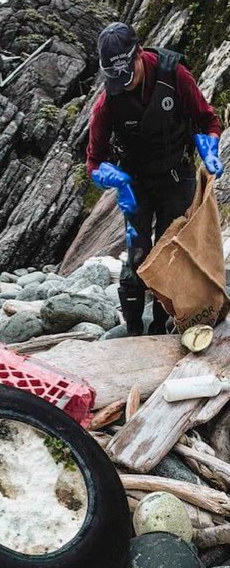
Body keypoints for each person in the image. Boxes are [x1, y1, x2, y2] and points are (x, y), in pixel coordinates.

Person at [86, 22, 222, 336]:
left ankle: (162, 327)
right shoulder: (108, 101)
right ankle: (132, 331)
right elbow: (94, 160)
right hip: (135, 184)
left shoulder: (175, 76)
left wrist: (209, 144)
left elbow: (207, 120)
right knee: (136, 255)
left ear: (138, 53)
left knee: (170, 252)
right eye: (116, 80)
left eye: (128, 76)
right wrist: (111, 178)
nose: (124, 84)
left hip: (177, 175)